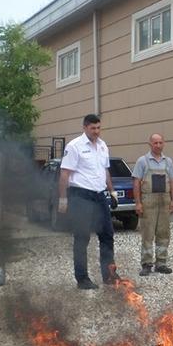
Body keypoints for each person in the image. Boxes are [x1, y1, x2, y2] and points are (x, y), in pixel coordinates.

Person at [57, 114, 121, 290]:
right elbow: (64, 174)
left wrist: (112, 191)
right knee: (82, 237)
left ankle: (109, 274)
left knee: (107, 235)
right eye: (93, 128)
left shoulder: (102, 145)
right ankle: (82, 279)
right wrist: (63, 199)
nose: (96, 131)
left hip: (100, 195)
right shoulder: (74, 146)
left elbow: (105, 171)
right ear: (85, 127)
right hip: (80, 196)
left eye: (98, 128)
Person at [133, 133, 173, 277]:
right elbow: (136, 182)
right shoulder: (142, 161)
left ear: (164, 143)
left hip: (164, 202)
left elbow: (172, 182)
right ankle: (146, 264)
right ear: (150, 144)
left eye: (160, 143)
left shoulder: (168, 162)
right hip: (148, 202)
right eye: (155, 143)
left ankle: (161, 263)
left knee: (164, 233)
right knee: (148, 234)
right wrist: (138, 203)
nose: (158, 145)